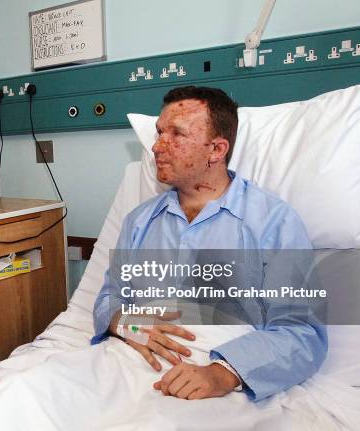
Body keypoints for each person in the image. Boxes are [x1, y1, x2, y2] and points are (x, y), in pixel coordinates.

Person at [92, 86, 327, 401]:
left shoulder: (275, 223)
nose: (158, 146)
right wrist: (126, 324)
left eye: (176, 134)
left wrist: (223, 373)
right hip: (130, 364)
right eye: (159, 132)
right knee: (24, 389)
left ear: (216, 149)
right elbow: (111, 298)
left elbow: (302, 333)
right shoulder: (139, 221)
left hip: (218, 374)